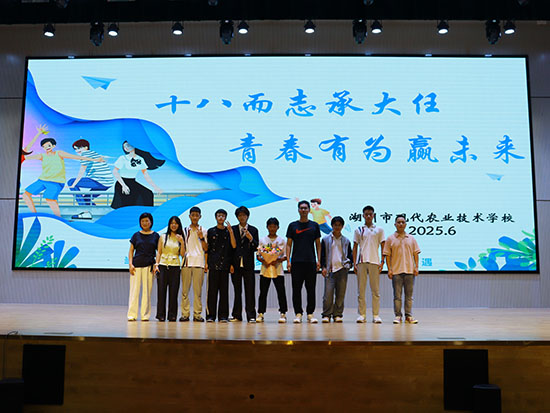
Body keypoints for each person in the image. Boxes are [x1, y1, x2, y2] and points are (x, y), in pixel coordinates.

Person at [22, 136, 106, 217]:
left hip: (56, 182)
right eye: (44, 146)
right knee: (26, 195)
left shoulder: (59, 153)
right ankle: (34, 214)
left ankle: (58, 218)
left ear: (53, 146)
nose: (46, 148)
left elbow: (76, 157)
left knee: (50, 199)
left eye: (48, 145)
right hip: (42, 180)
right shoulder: (42, 156)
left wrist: (95, 160)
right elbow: (25, 156)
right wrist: (38, 134)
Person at [286, 200, 322, 324]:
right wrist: (288, 261)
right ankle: (298, 313)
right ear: (298, 210)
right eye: (301, 208)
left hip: (310, 262)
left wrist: (319, 260)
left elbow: (318, 244)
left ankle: (310, 313)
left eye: (305, 208)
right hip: (296, 262)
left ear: (309, 210)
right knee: (296, 289)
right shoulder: (292, 226)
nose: (303, 210)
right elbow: (289, 245)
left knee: (311, 289)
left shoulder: (314, 225)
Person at [383, 214, 421, 324]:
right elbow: (387, 255)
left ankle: (409, 316)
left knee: (409, 296)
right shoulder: (390, 238)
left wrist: (416, 267)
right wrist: (389, 269)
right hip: (396, 272)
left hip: (409, 271)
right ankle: (398, 316)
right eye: (398, 222)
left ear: (405, 224)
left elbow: (416, 254)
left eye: (403, 222)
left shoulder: (411, 238)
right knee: (397, 296)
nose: (400, 224)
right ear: (395, 224)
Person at [352, 205, 386, 324]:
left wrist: (382, 261)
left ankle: (376, 315)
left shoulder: (379, 230)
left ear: (373, 215)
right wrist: (354, 263)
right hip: (361, 262)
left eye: (370, 214)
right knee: (361, 290)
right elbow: (355, 247)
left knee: (375, 291)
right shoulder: (358, 230)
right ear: (363, 216)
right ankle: (362, 315)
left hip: (375, 262)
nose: (368, 216)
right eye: (366, 214)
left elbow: (383, 246)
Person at [111, 141, 164, 209]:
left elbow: (146, 175)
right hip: (122, 182)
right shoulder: (123, 158)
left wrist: (155, 187)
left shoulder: (140, 159)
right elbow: (115, 171)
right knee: (126, 202)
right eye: (124, 146)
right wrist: (123, 185)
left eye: (128, 145)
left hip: (133, 183)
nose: (126, 148)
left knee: (148, 193)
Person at [205, 209, 236, 322]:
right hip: (213, 264)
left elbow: (233, 246)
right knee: (212, 292)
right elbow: (207, 249)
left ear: (225, 217)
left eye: (223, 216)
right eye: (219, 216)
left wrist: (231, 232)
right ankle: (210, 315)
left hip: (225, 265)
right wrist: (206, 263)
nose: (221, 218)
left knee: (224, 292)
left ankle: (223, 316)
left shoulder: (229, 231)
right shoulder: (211, 231)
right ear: (216, 217)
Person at [128, 212, 160, 321]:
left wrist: (156, 264)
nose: (145, 223)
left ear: (151, 222)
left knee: (147, 292)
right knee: (134, 291)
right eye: (142, 221)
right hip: (136, 266)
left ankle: (145, 315)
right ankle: (132, 315)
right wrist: (130, 264)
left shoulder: (156, 236)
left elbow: (159, 252)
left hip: (149, 266)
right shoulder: (136, 235)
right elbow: (131, 251)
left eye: (147, 221)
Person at [320, 216, 353, 323]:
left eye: (339, 225)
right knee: (328, 295)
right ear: (332, 225)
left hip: (342, 270)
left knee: (340, 294)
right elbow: (322, 255)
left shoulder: (346, 240)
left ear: (342, 226)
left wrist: (349, 265)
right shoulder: (325, 239)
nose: (337, 227)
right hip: (330, 270)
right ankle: (326, 314)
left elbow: (350, 255)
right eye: (335, 225)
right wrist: (323, 267)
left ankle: (337, 314)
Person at [230, 206, 259, 323]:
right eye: (240, 215)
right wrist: (231, 264)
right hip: (236, 265)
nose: (242, 217)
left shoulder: (253, 230)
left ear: (247, 216)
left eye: (244, 215)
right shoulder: (232, 229)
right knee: (237, 291)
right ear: (237, 217)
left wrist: (250, 238)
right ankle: (237, 315)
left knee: (250, 290)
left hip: (248, 265)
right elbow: (230, 248)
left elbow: (256, 247)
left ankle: (251, 315)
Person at [68, 138, 115, 210]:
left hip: (99, 181)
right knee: (87, 199)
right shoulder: (94, 153)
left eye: (79, 148)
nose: (77, 150)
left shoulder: (85, 154)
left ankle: (83, 208)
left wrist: (74, 184)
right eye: (75, 149)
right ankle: (95, 211)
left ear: (86, 147)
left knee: (71, 182)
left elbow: (82, 170)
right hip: (108, 183)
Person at [256, 217, 288, 324]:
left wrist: (276, 260)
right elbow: (258, 255)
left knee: (281, 292)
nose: (272, 228)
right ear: (267, 227)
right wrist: (264, 260)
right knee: (263, 292)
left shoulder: (282, 240)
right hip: (265, 270)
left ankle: (283, 313)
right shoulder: (262, 240)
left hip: (278, 270)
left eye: (274, 226)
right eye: (270, 226)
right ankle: (261, 313)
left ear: (278, 227)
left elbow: (285, 256)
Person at [180, 206, 208, 322]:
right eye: (193, 215)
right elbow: (182, 249)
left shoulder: (204, 230)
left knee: (198, 292)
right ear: (189, 216)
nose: (195, 217)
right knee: (185, 291)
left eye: (197, 215)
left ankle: (197, 314)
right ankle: (185, 314)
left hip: (199, 263)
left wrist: (201, 238)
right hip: (186, 263)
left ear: (200, 216)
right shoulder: (184, 230)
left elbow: (206, 248)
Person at [154, 216, 185, 322]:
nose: (173, 225)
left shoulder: (180, 237)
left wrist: (182, 242)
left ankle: (172, 315)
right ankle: (160, 315)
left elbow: (182, 254)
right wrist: (156, 264)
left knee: (173, 292)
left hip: (175, 266)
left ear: (179, 225)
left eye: (176, 223)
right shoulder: (163, 237)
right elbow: (159, 252)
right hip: (163, 266)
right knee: (161, 292)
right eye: (172, 223)